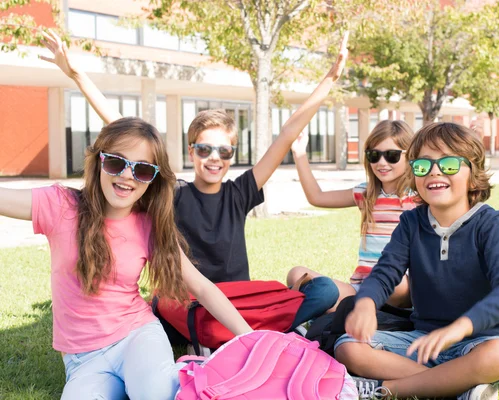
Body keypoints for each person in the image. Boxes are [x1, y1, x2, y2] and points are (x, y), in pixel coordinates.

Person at [39, 30, 350, 329]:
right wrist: (77, 75)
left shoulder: (240, 193)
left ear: (231, 155)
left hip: (234, 304)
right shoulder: (174, 191)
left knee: (325, 290)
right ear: (191, 151)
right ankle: (247, 331)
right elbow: (122, 127)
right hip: (187, 303)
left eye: (223, 151)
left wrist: (330, 79)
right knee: (160, 309)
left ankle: (233, 332)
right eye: (204, 148)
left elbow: (286, 135)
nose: (214, 157)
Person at [0, 117, 252, 399]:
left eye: (142, 169)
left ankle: (179, 374)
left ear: (153, 178)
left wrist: (251, 339)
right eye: (116, 163)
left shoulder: (150, 225)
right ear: (99, 161)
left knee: (155, 394)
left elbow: (201, 287)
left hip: (137, 337)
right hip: (83, 360)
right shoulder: (60, 206)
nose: (127, 176)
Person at [336, 122, 499, 400]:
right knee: (348, 346)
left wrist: (459, 328)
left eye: (448, 164)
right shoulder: (411, 222)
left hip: (479, 340)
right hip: (423, 341)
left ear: (473, 176)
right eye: (423, 165)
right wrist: (365, 304)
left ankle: (386, 389)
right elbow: (385, 273)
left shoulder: (489, 222)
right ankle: (458, 384)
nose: (434, 171)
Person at [286, 119, 416, 311]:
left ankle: (343, 309)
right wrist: (299, 154)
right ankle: (352, 308)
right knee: (297, 274)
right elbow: (317, 197)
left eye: (391, 155)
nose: (381, 162)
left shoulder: (419, 198)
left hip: (397, 289)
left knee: (395, 284)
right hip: (360, 289)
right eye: (374, 155)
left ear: (410, 156)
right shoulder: (365, 194)